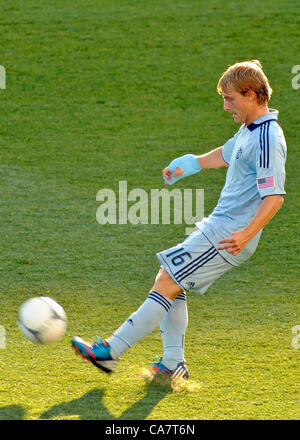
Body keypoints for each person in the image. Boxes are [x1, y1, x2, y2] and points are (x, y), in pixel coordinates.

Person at [71, 60, 287, 379]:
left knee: (169, 279)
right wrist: (191, 163)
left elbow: (274, 197)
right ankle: (173, 364)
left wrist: (246, 234)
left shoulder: (268, 137)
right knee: (171, 278)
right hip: (220, 228)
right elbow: (227, 154)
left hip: (229, 234)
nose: (226, 107)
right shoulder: (251, 129)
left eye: (230, 99)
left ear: (252, 94)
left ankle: (111, 352)